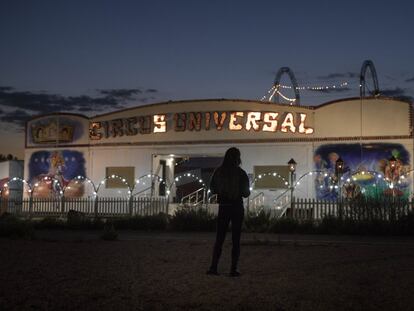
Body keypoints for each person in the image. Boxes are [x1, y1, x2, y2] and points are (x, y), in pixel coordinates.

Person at [207, 147, 250, 277]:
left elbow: (212, 188)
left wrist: (222, 191)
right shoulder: (241, 173)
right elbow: (246, 193)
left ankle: (214, 267)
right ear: (238, 158)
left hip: (224, 206)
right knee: (236, 239)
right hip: (237, 206)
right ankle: (233, 268)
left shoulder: (218, 172)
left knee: (219, 238)